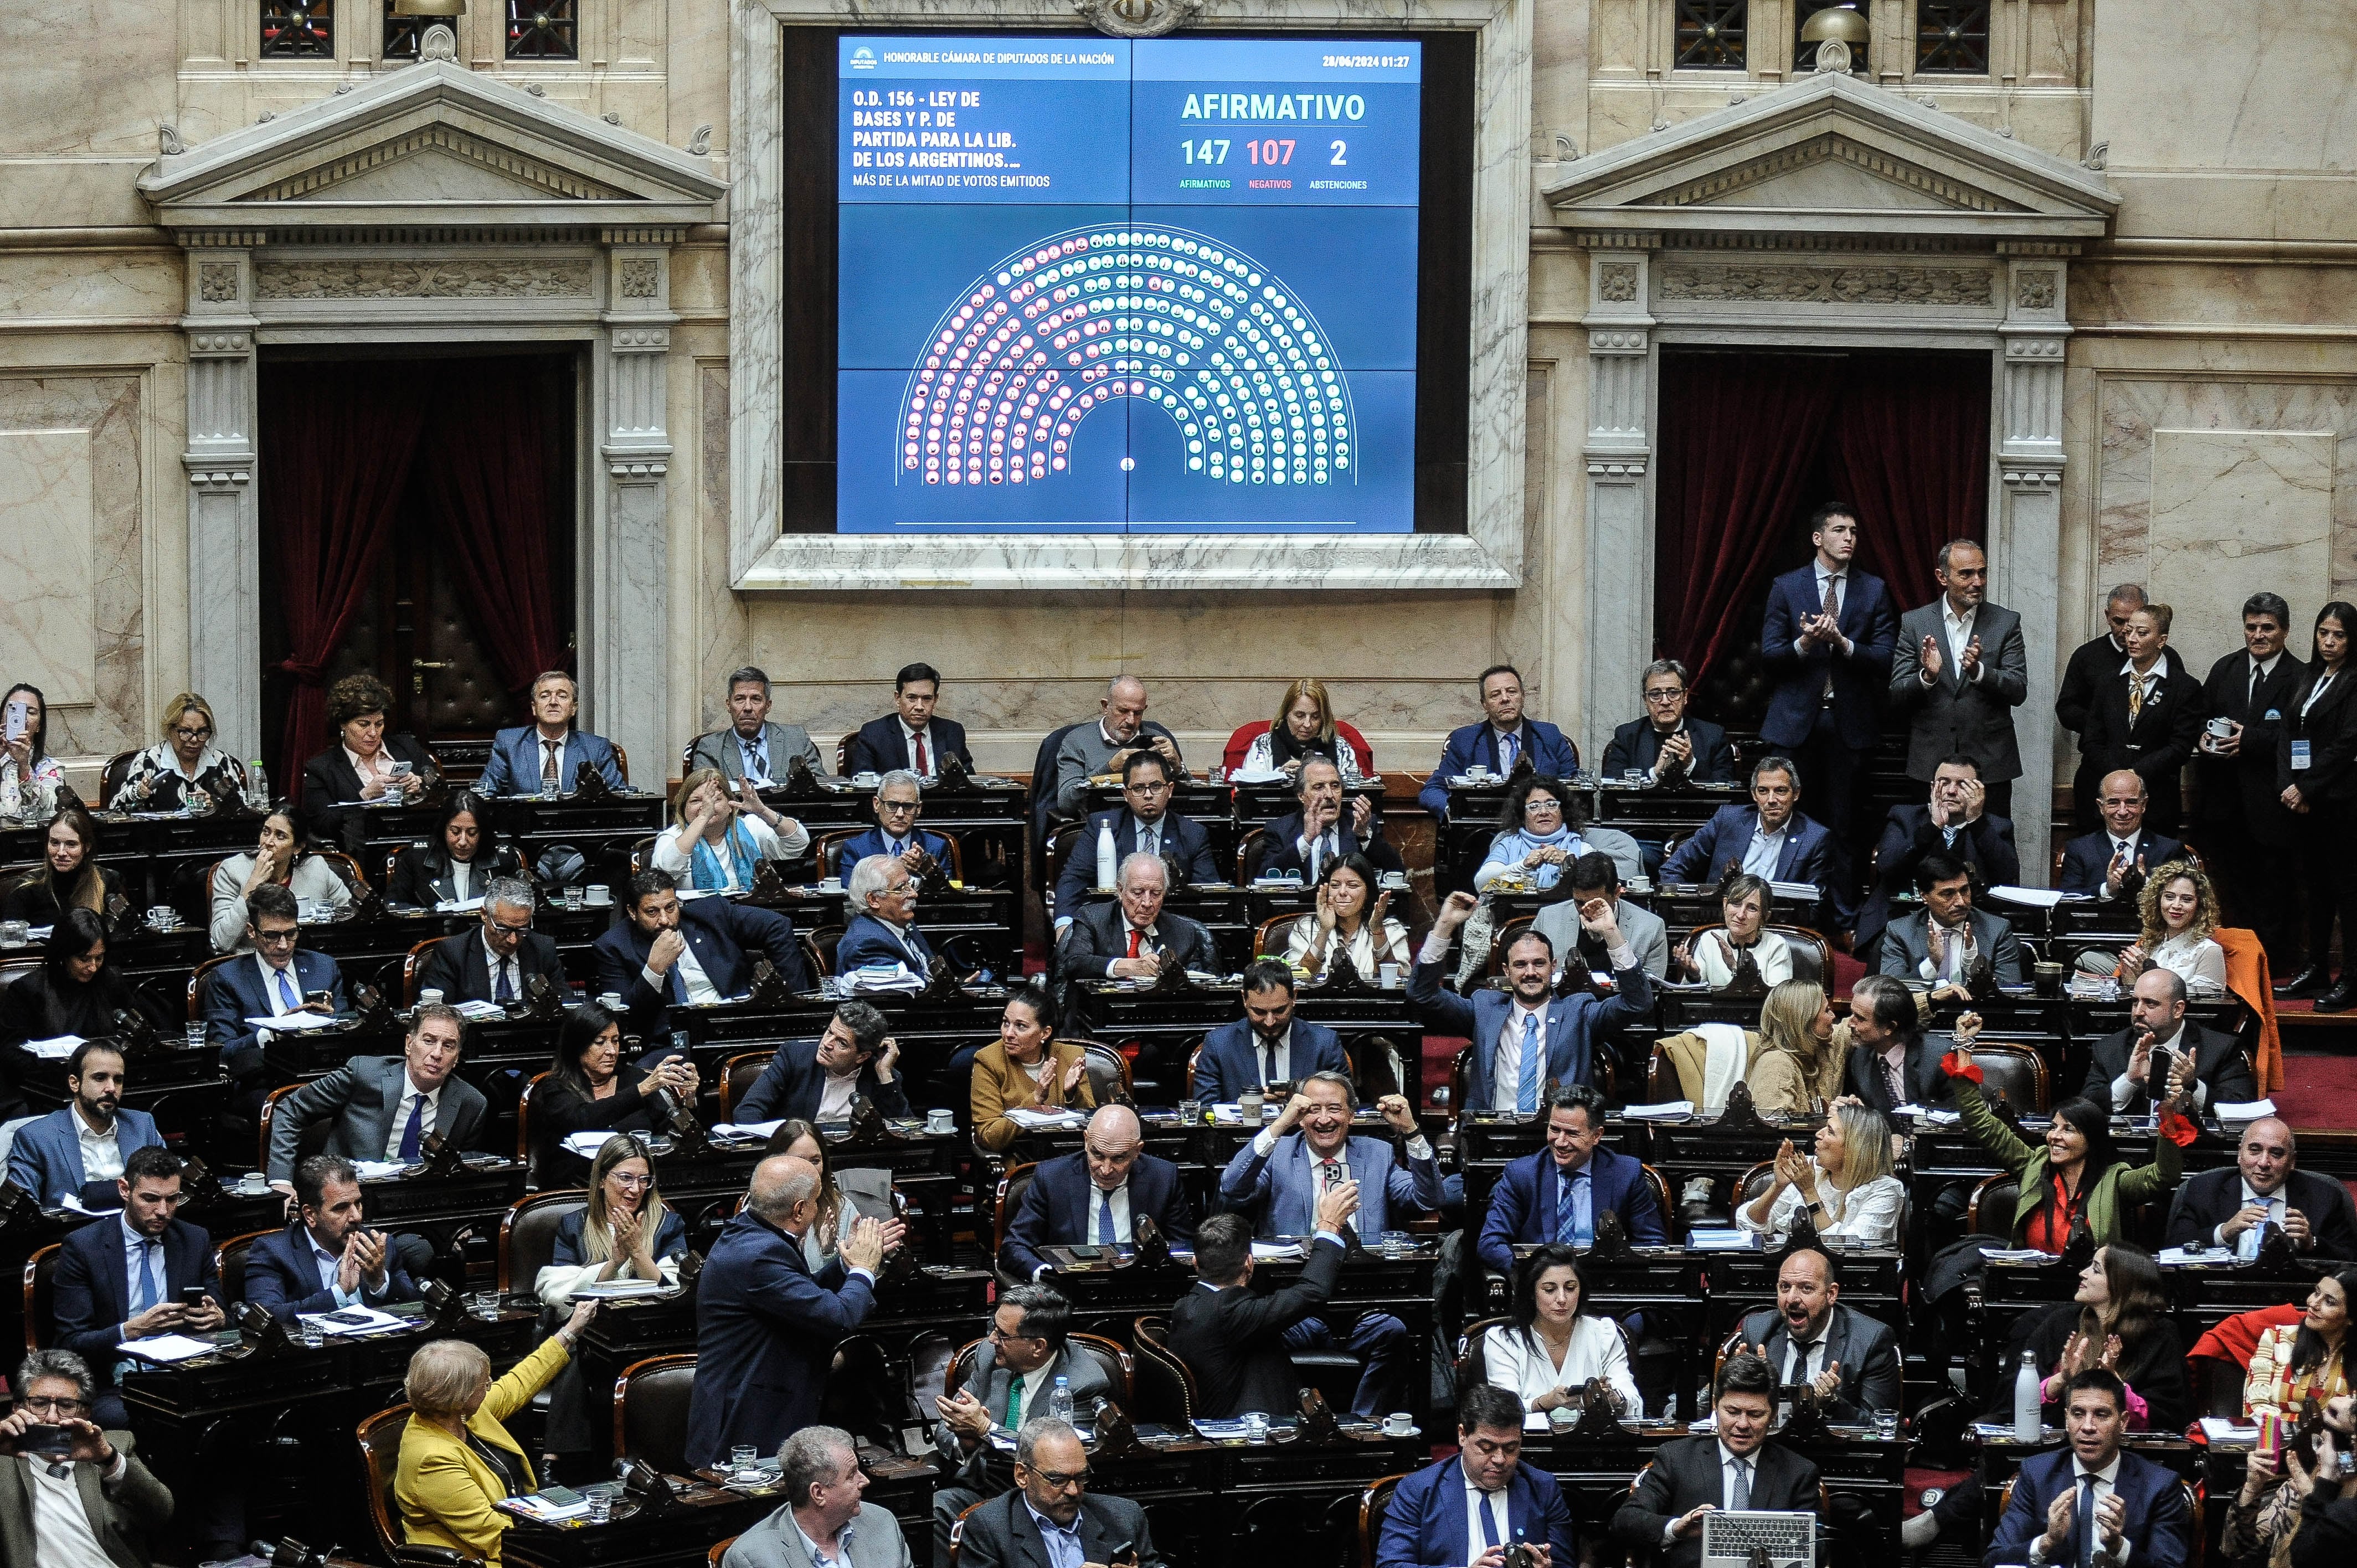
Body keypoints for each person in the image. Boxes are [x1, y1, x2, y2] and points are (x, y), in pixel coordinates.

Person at [1218, 1073, 1434, 1416]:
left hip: (1366, 1299)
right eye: (1312, 1110)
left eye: (1334, 1109)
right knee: (1261, 1337)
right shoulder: (1280, 1153)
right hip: (1296, 1301)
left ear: (1351, 1114)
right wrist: (1280, 1124)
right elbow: (1231, 1188)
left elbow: (1428, 1198)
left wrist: (1411, 1132)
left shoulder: (1377, 1154)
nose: (1323, 1119)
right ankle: (1290, 1424)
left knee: (1396, 1331)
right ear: (1300, 1116)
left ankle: (1364, 1426)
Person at [683, 1153, 896, 1469]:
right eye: (814, 1201)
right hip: (746, 1424)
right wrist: (863, 1269)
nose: (817, 1208)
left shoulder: (752, 1234)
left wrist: (844, 1264)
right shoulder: (759, 1255)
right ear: (799, 1211)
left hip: (761, 1405)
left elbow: (799, 1295)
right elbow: (838, 1318)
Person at [1946, 1019, 2188, 1249]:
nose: (2054, 1136)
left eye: (2068, 1129)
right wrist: (1965, 1048)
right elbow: (1980, 1121)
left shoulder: (2114, 1180)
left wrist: (2168, 1115)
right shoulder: (2034, 1165)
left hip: (2091, 1286)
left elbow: (2164, 1176)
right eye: (2053, 1127)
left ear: (2091, 1140)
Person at [394, 1299, 599, 1568]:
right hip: (484, 1559)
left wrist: (571, 1330)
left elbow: (520, 1381)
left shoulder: (460, 1412)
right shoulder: (431, 1460)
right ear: (461, 1396)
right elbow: (494, 1534)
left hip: (523, 1529)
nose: (491, 1385)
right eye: (484, 1382)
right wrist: (568, 1545)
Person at [1411, 890, 1652, 1107]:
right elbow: (1422, 994)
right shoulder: (1485, 1008)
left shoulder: (1579, 1012)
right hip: (1492, 1133)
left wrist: (1611, 933)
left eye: (1539, 963)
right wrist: (1443, 926)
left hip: (1559, 1135)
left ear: (1553, 967)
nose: (1530, 972)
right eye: (1520, 965)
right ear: (1507, 971)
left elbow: (1637, 1003)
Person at [532, 1134, 688, 1457]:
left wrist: (637, 1252)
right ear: (603, 1180)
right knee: (580, 1354)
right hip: (590, 1332)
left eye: (644, 1180)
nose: (635, 1189)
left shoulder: (668, 1224)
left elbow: (679, 1287)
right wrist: (616, 1261)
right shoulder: (574, 1225)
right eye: (626, 1178)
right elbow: (557, 1290)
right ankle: (561, 1459)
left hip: (648, 1333)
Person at [929, 1288, 1111, 1556]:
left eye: (1003, 1335)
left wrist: (985, 1430)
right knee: (937, 1507)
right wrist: (966, 1441)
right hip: (987, 1485)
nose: (992, 1339)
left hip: (1044, 1496)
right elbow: (947, 1424)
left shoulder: (1083, 1382)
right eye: (994, 1328)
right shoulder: (988, 1358)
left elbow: (1051, 1459)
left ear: (1038, 1346)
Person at [52, 1146, 224, 1426]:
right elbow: (70, 1342)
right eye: (150, 1199)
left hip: (185, 1371)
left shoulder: (194, 1239)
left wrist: (217, 1316)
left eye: (172, 1199)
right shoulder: (84, 1247)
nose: (163, 1211)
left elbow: (220, 1311)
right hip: (118, 1382)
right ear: (124, 1189)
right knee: (143, 1418)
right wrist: (133, 1330)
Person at [1759, 502, 1898, 845]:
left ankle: (1843, 901)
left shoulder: (1874, 589)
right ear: (1818, 538)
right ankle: (1793, 897)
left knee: (1846, 823)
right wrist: (1806, 641)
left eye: (1853, 532)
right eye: (1840, 531)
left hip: (1850, 724)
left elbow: (1885, 659)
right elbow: (1770, 657)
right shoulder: (1787, 586)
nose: (1849, 538)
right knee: (1789, 825)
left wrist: (1843, 642)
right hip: (1794, 725)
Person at [1612, 1353, 1821, 1568]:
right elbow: (1625, 1521)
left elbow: (1818, 1546)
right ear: (1715, 1405)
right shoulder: (1677, 1458)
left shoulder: (1799, 1472)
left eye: (1755, 1415)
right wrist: (1676, 1528)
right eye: (1732, 1412)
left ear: (1774, 1414)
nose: (1742, 1424)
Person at [1167, 1195, 1356, 1419]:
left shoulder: (1185, 1306)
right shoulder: (1231, 1313)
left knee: (1314, 1329)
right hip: (1253, 1429)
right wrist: (1328, 1226)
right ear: (1249, 1263)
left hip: (1220, 1399)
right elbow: (1312, 1291)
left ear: (1196, 1264)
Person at [1984, 1368, 2191, 1568]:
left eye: (2101, 1414)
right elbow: (1995, 1560)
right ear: (2067, 1419)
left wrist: (2118, 1547)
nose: (2088, 1426)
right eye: (2078, 1414)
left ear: (2123, 1422)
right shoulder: (2037, 1474)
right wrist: (2048, 1541)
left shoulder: (2160, 1485)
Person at [265, 1004, 490, 1187]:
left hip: (416, 1202)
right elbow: (289, 1110)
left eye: (448, 1046)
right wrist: (281, 1181)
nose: (437, 1054)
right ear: (410, 1045)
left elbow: (464, 1172)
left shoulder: (471, 1104)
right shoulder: (364, 1074)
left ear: (457, 1057)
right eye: (429, 1041)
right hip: (348, 1195)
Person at [2200, 592, 2306, 970]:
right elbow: (2202, 717)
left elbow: (2304, 742)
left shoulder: (2301, 677)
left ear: (2285, 631)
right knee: (2233, 887)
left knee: (2276, 889)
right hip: (2225, 804)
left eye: (2267, 628)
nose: (2258, 635)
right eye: (2251, 627)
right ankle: (2239, 960)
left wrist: (2253, 740)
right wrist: (2203, 737)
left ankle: (2275, 963)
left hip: (2275, 807)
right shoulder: (2224, 669)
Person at [1889, 539, 2030, 821]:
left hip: (1990, 764)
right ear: (1943, 577)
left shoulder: (2006, 622)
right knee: (1930, 852)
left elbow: (2018, 690)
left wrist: (1980, 672)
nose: (1977, 582)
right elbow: (1897, 693)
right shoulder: (1915, 623)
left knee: (1991, 849)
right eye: (1966, 574)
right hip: (1931, 763)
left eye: (1982, 572)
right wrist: (1927, 677)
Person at [0, 1348, 174, 1568]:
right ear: (18, 1409)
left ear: (85, 1414)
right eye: (40, 1403)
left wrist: (109, 1460)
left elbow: (160, 1514)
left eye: (66, 1406)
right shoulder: (3, 1458)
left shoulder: (114, 1447)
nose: (52, 1417)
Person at [1378, 1384, 1578, 1568]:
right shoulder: (1418, 1490)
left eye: (1510, 1448)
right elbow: (1392, 1565)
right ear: (1463, 1435)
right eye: (1487, 1447)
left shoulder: (1543, 1488)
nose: (1500, 1459)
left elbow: (1564, 1564)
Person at [590, 869, 807, 1038]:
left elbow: (779, 926)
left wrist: (792, 1000)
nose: (665, 920)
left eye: (670, 908)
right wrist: (654, 970)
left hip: (737, 1024)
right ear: (632, 912)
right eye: (652, 912)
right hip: (673, 1039)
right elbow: (623, 1019)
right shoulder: (613, 946)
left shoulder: (712, 914)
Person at [1477, 1086, 1666, 1276]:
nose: (1560, 1142)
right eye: (1554, 1129)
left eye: (1572, 1133)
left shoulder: (1626, 1173)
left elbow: (1653, 1243)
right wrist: (1530, 1274)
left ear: (1596, 1135)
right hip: (1541, 1284)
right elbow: (1491, 1242)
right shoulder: (1522, 1174)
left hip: (1604, 1281)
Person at [2231, 1283, 2353, 1568]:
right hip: (2276, 1459)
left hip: (2343, 1471)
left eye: (2330, 1301)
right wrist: (2300, 1437)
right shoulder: (2279, 1339)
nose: (2314, 1302)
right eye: (2316, 1292)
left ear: (2351, 1317)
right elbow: (2257, 1404)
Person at [1855, 754, 2020, 963]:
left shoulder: (1996, 827)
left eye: (1963, 784)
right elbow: (1887, 866)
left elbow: (2008, 875)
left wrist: (1977, 822)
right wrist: (1933, 827)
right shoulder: (1904, 818)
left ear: (1979, 791)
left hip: (1968, 923)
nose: (1951, 791)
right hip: (1902, 919)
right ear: (1933, 787)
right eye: (1944, 783)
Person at [999, 1105, 1196, 1280]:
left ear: (1137, 1151)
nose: (1106, 1169)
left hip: (1141, 1283)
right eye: (1098, 1155)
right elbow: (1014, 1246)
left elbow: (1183, 1248)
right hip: (1070, 1287)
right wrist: (1046, 1274)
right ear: (1086, 1141)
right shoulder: (1052, 1178)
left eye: (1119, 1158)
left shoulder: (1163, 1177)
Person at [197, 881, 347, 1096]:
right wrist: (271, 1035)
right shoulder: (228, 978)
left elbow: (348, 1030)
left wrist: (333, 1024)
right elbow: (222, 1050)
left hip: (324, 1074)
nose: (284, 945)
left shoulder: (323, 967)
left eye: (291, 934)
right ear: (252, 932)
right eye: (272, 936)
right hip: (266, 1081)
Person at [955, 1418, 1162, 1568]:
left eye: (1081, 1477)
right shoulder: (988, 1527)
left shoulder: (1124, 1516)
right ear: (1022, 1476)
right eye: (1058, 1480)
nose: (1073, 1491)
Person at [2282, 602, 2357, 1009]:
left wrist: (2306, 788)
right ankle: (2314, 970)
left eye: (2340, 635)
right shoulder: (2309, 675)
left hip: (2341, 802)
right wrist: (2289, 785)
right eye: (2324, 633)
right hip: (2304, 803)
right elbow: (2290, 734)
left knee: (2348, 893)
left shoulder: (2354, 680)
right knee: (2315, 890)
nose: (2329, 642)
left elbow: (2347, 744)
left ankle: (2351, 977)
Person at [2075, 600, 2202, 837]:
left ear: (2161, 640)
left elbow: (2181, 746)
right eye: (2129, 630)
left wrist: (2137, 773)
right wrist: (2118, 776)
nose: (2131, 638)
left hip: (2157, 800)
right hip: (2108, 798)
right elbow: (2092, 739)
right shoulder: (2108, 683)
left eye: (2142, 633)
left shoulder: (2184, 687)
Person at [1731, 1244, 1903, 1419]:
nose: (1791, 1299)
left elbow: (1878, 1424)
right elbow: (1734, 1409)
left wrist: (1832, 1404)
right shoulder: (1756, 1332)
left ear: (1831, 1294)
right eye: (1785, 1287)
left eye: (1806, 1288)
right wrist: (1747, 1386)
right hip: (1772, 1443)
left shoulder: (1871, 1340)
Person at [1052, 854, 1217, 1032]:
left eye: (1156, 894)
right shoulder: (1093, 919)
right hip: (1100, 1023)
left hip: (1158, 1025)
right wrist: (1129, 967)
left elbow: (1198, 983)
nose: (1147, 903)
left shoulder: (1184, 932)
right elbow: (1074, 963)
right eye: (1138, 893)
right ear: (1120, 891)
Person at [241, 1153, 416, 1320]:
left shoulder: (377, 1245)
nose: (356, 1216)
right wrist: (339, 1293)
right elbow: (266, 1317)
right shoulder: (274, 1252)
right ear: (310, 1215)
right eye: (341, 1208)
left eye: (358, 1203)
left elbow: (415, 1307)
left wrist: (380, 1283)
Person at [532, 1005, 702, 1172]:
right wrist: (642, 1090)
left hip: (638, 1182)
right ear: (577, 1046)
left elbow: (672, 1133)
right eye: (600, 1042)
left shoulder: (634, 1078)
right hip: (577, 1183)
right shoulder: (556, 1086)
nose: (612, 1051)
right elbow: (582, 1120)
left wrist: (689, 1100)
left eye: (615, 1041)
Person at [1054, 751, 1217, 922]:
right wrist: (1064, 925)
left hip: (1172, 925)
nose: (1148, 795)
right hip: (1112, 926)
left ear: (1169, 790)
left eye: (1156, 786)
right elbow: (1073, 881)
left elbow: (1207, 894)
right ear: (1126, 794)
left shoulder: (1193, 834)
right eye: (1138, 788)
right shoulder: (1101, 826)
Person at [2165, 1117, 2357, 1258]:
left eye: (2276, 1153)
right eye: (2255, 1150)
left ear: (2292, 1162)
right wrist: (2223, 1232)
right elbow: (2173, 1246)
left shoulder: (2324, 1196)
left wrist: (2311, 1243)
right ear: (2240, 1154)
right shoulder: (2204, 1189)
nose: (2264, 1163)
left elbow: (2350, 1259)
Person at [5, 1038, 163, 1209]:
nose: (111, 1088)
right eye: (100, 1078)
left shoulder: (142, 1125)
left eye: (118, 1080)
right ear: (75, 1083)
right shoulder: (37, 1137)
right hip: (73, 1231)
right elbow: (21, 1205)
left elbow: (166, 1183)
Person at [728, 1425, 916, 1568]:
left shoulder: (882, 1523)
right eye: (851, 1475)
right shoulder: (752, 1558)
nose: (864, 1481)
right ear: (818, 1493)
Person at [1481, 1247, 1640, 1414]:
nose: (1562, 1299)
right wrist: (1543, 1402)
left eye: (1570, 1288)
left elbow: (1634, 1402)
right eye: (1550, 1290)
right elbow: (1505, 1410)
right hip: (1529, 1440)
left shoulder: (1604, 1334)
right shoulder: (1504, 1340)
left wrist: (1615, 1399)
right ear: (1531, 1293)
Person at [2082, 966, 2255, 1116]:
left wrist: (2193, 1085)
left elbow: (2242, 1109)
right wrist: (2129, 1081)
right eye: (2135, 1002)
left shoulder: (2221, 1048)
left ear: (2178, 1009)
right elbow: (2083, 1113)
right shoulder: (2108, 1049)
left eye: (2150, 1004)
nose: (2138, 1012)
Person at [0, 909, 168, 1061]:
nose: (93, 967)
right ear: (64, 955)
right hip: (51, 1081)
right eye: (84, 959)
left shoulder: (111, 980)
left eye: (99, 958)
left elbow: (136, 1033)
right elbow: (11, 1052)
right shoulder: (27, 990)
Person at [1417, 665, 1579, 819]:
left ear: (1523, 697)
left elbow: (1574, 788)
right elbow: (1433, 790)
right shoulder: (1464, 740)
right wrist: (1455, 811)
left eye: (1512, 692)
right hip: (1485, 830)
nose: (1505, 699)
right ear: (1484, 704)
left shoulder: (1550, 735)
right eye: (1495, 695)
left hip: (1544, 829)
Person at [1658, 756, 1836, 894]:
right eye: (1763, 791)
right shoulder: (1728, 820)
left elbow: (1814, 904)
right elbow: (1673, 867)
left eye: (1780, 791)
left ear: (1796, 794)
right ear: (1754, 794)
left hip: (1776, 926)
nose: (1771, 800)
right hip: (1718, 917)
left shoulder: (1815, 838)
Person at [1737, 1102, 1903, 1246]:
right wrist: (1778, 1186)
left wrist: (1809, 1192)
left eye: (1830, 1131)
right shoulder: (1812, 1171)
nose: (1819, 1134)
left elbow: (1850, 1248)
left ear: (1854, 1148)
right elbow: (1748, 1225)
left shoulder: (1885, 1190)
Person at [300, 672, 431, 850]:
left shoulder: (407, 746)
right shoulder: (321, 768)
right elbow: (322, 824)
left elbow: (439, 785)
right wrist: (366, 797)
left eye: (379, 724)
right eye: (363, 725)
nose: (373, 733)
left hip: (417, 844)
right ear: (343, 724)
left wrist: (421, 786)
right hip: (362, 851)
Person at [1191, 960, 1353, 1101]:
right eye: (1259, 1012)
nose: (1270, 1022)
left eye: (1279, 1011)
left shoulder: (1324, 1043)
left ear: (1294, 997)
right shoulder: (1219, 1044)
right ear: (1244, 999)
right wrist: (1245, 1106)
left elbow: (1343, 1105)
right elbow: (1206, 1110)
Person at [208, 801, 351, 953]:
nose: (268, 842)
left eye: (280, 836)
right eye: (266, 832)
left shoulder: (316, 869)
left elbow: (351, 914)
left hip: (307, 961)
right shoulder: (233, 870)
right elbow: (222, 941)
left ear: (298, 847)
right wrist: (252, 885)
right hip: (252, 965)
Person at [734, 1000, 910, 1123]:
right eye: (829, 1032)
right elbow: (747, 1111)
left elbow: (904, 1127)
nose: (826, 1044)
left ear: (862, 1056)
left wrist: (885, 1076)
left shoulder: (881, 1075)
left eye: (841, 1043)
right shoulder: (794, 1057)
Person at [1879, 852, 2027, 990]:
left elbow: (2010, 990)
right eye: (1948, 894)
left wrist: (1973, 967)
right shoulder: (1900, 931)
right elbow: (1890, 992)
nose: (1961, 902)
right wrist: (1931, 965)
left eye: (1964, 890)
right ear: (1925, 896)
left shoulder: (1997, 930)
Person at [971, 985, 1093, 1153]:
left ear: (1045, 1033)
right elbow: (990, 1137)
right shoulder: (989, 1060)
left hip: (1068, 1157)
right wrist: (1035, 1099)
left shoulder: (1070, 1056)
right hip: (1021, 1161)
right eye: (1006, 1023)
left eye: (1020, 1026)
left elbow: (1092, 1125)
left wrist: (1072, 1093)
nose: (1008, 1033)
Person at [1250, 754, 1406, 880]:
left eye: (1335, 786)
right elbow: (1264, 877)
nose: (1330, 795)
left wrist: (1364, 836)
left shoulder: (1362, 824)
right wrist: (1306, 840)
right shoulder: (1280, 829)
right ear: (1302, 796)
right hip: (1301, 911)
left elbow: (1396, 872)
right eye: (1319, 787)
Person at [769, 1121, 896, 1274]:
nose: (810, 1170)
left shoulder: (842, 1207)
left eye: (815, 1161)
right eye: (800, 1161)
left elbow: (858, 1275)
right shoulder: (762, 1209)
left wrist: (856, 1255)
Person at [655, 767, 810, 892]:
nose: (706, 806)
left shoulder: (750, 827)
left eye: (715, 799)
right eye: (696, 801)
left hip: (752, 912)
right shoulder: (673, 837)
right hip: (698, 920)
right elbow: (667, 871)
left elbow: (798, 844)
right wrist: (703, 817)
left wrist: (763, 812)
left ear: (730, 805)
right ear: (683, 808)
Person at [414, 877, 564, 1006]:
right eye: (503, 929)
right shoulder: (453, 952)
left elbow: (566, 1003)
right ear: (484, 914)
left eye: (521, 930)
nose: (512, 940)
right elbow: (434, 1012)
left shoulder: (543, 948)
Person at [1052, 675, 1185, 819]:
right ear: (1105, 706)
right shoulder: (1077, 741)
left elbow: (1191, 800)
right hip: (1101, 827)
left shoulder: (1157, 739)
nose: (1131, 720)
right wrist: (1109, 769)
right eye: (1123, 711)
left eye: (1138, 713)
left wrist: (1178, 767)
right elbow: (1066, 804)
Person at [476, 670, 626, 795]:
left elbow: (619, 794)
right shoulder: (510, 743)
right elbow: (486, 794)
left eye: (562, 696)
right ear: (534, 707)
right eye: (545, 696)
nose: (553, 702)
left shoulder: (596, 747)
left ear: (574, 708)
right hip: (525, 827)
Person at [1533, 852, 1670, 979]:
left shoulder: (1651, 927)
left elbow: (1650, 992)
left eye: (1596, 904)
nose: (1587, 910)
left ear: (1617, 893)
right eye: (1580, 902)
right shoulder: (1547, 918)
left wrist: (1610, 932)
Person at [2056, 769, 2186, 901]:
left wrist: (2147, 884)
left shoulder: (2170, 850)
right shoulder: (2079, 849)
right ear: (2101, 807)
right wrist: (2107, 889)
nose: (2123, 811)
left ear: (2144, 805)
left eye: (2131, 802)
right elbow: (2068, 897)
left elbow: (2182, 897)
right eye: (2114, 803)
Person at [107, 691, 247, 812]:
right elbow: (116, 811)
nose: (194, 740)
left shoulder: (220, 763)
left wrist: (215, 806)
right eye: (186, 732)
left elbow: (243, 811)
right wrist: (138, 793)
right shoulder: (149, 761)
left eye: (202, 732)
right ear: (170, 730)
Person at [1603, 659, 1736, 785]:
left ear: (1685, 697)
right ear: (1645, 700)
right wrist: (1655, 773)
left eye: (1673, 693)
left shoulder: (1714, 736)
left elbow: (1725, 788)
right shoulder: (1627, 736)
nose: (1665, 702)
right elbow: (1613, 785)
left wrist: (1691, 764)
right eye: (1656, 695)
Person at [384, 792, 526, 909]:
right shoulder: (419, 857)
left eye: (472, 833)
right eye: (455, 832)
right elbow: (393, 904)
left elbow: (520, 906)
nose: (463, 841)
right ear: (444, 829)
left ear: (483, 833)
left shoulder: (502, 858)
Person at [1284, 852, 1411, 979]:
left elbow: (1396, 981)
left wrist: (1378, 932)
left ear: (1368, 892)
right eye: (1335, 886)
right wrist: (1324, 931)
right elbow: (1296, 980)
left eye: (1352, 885)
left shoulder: (1391, 930)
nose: (1342, 892)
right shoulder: (1306, 928)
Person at [689, 667, 824, 786]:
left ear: (768, 706)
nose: (748, 708)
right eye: (740, 699)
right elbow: (705, 794)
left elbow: (820, 786)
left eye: (756, 699)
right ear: (729, 705)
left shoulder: (796, 738)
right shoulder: (710, 748)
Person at [1840, 974, 1953, 1113]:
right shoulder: (1859, 1060)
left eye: (1860, 1018)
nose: (1850, 1023)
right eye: (1852, 1014)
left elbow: (1962, 1117)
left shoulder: (1941, 1057)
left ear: (1890, 1028)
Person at [2119, 861, 2230, 995]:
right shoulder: (2150, 945)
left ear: (2200, 907)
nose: (2176, 905)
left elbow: (2204, 1004)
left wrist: (2151, 971)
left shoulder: (2209, 950)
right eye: (2169, 897)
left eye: (2187, 899)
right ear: (2157, 901)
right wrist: (2129, 976)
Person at [1, 806, 124, 927]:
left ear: (86, 847)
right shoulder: (28, 886)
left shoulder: (107, 881)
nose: (61, 852)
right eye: (55, 843)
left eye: (71, 844)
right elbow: (10, 940)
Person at [1741, 979, 1847, 1118]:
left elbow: (1854, 1027)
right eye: (1827, 1010)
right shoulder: (1775, 1065)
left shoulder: (1820, 1047)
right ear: (1805, 1020)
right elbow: (1773, 1132)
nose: (1833, 1016)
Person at [846, 661, 972, 778]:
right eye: (912, 698)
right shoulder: (874, 734)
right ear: (898, 698)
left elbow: (969, 781)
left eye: (927, 698)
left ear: (936, 699)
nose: (919, 707)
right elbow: (864, 786)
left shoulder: (953, 732)